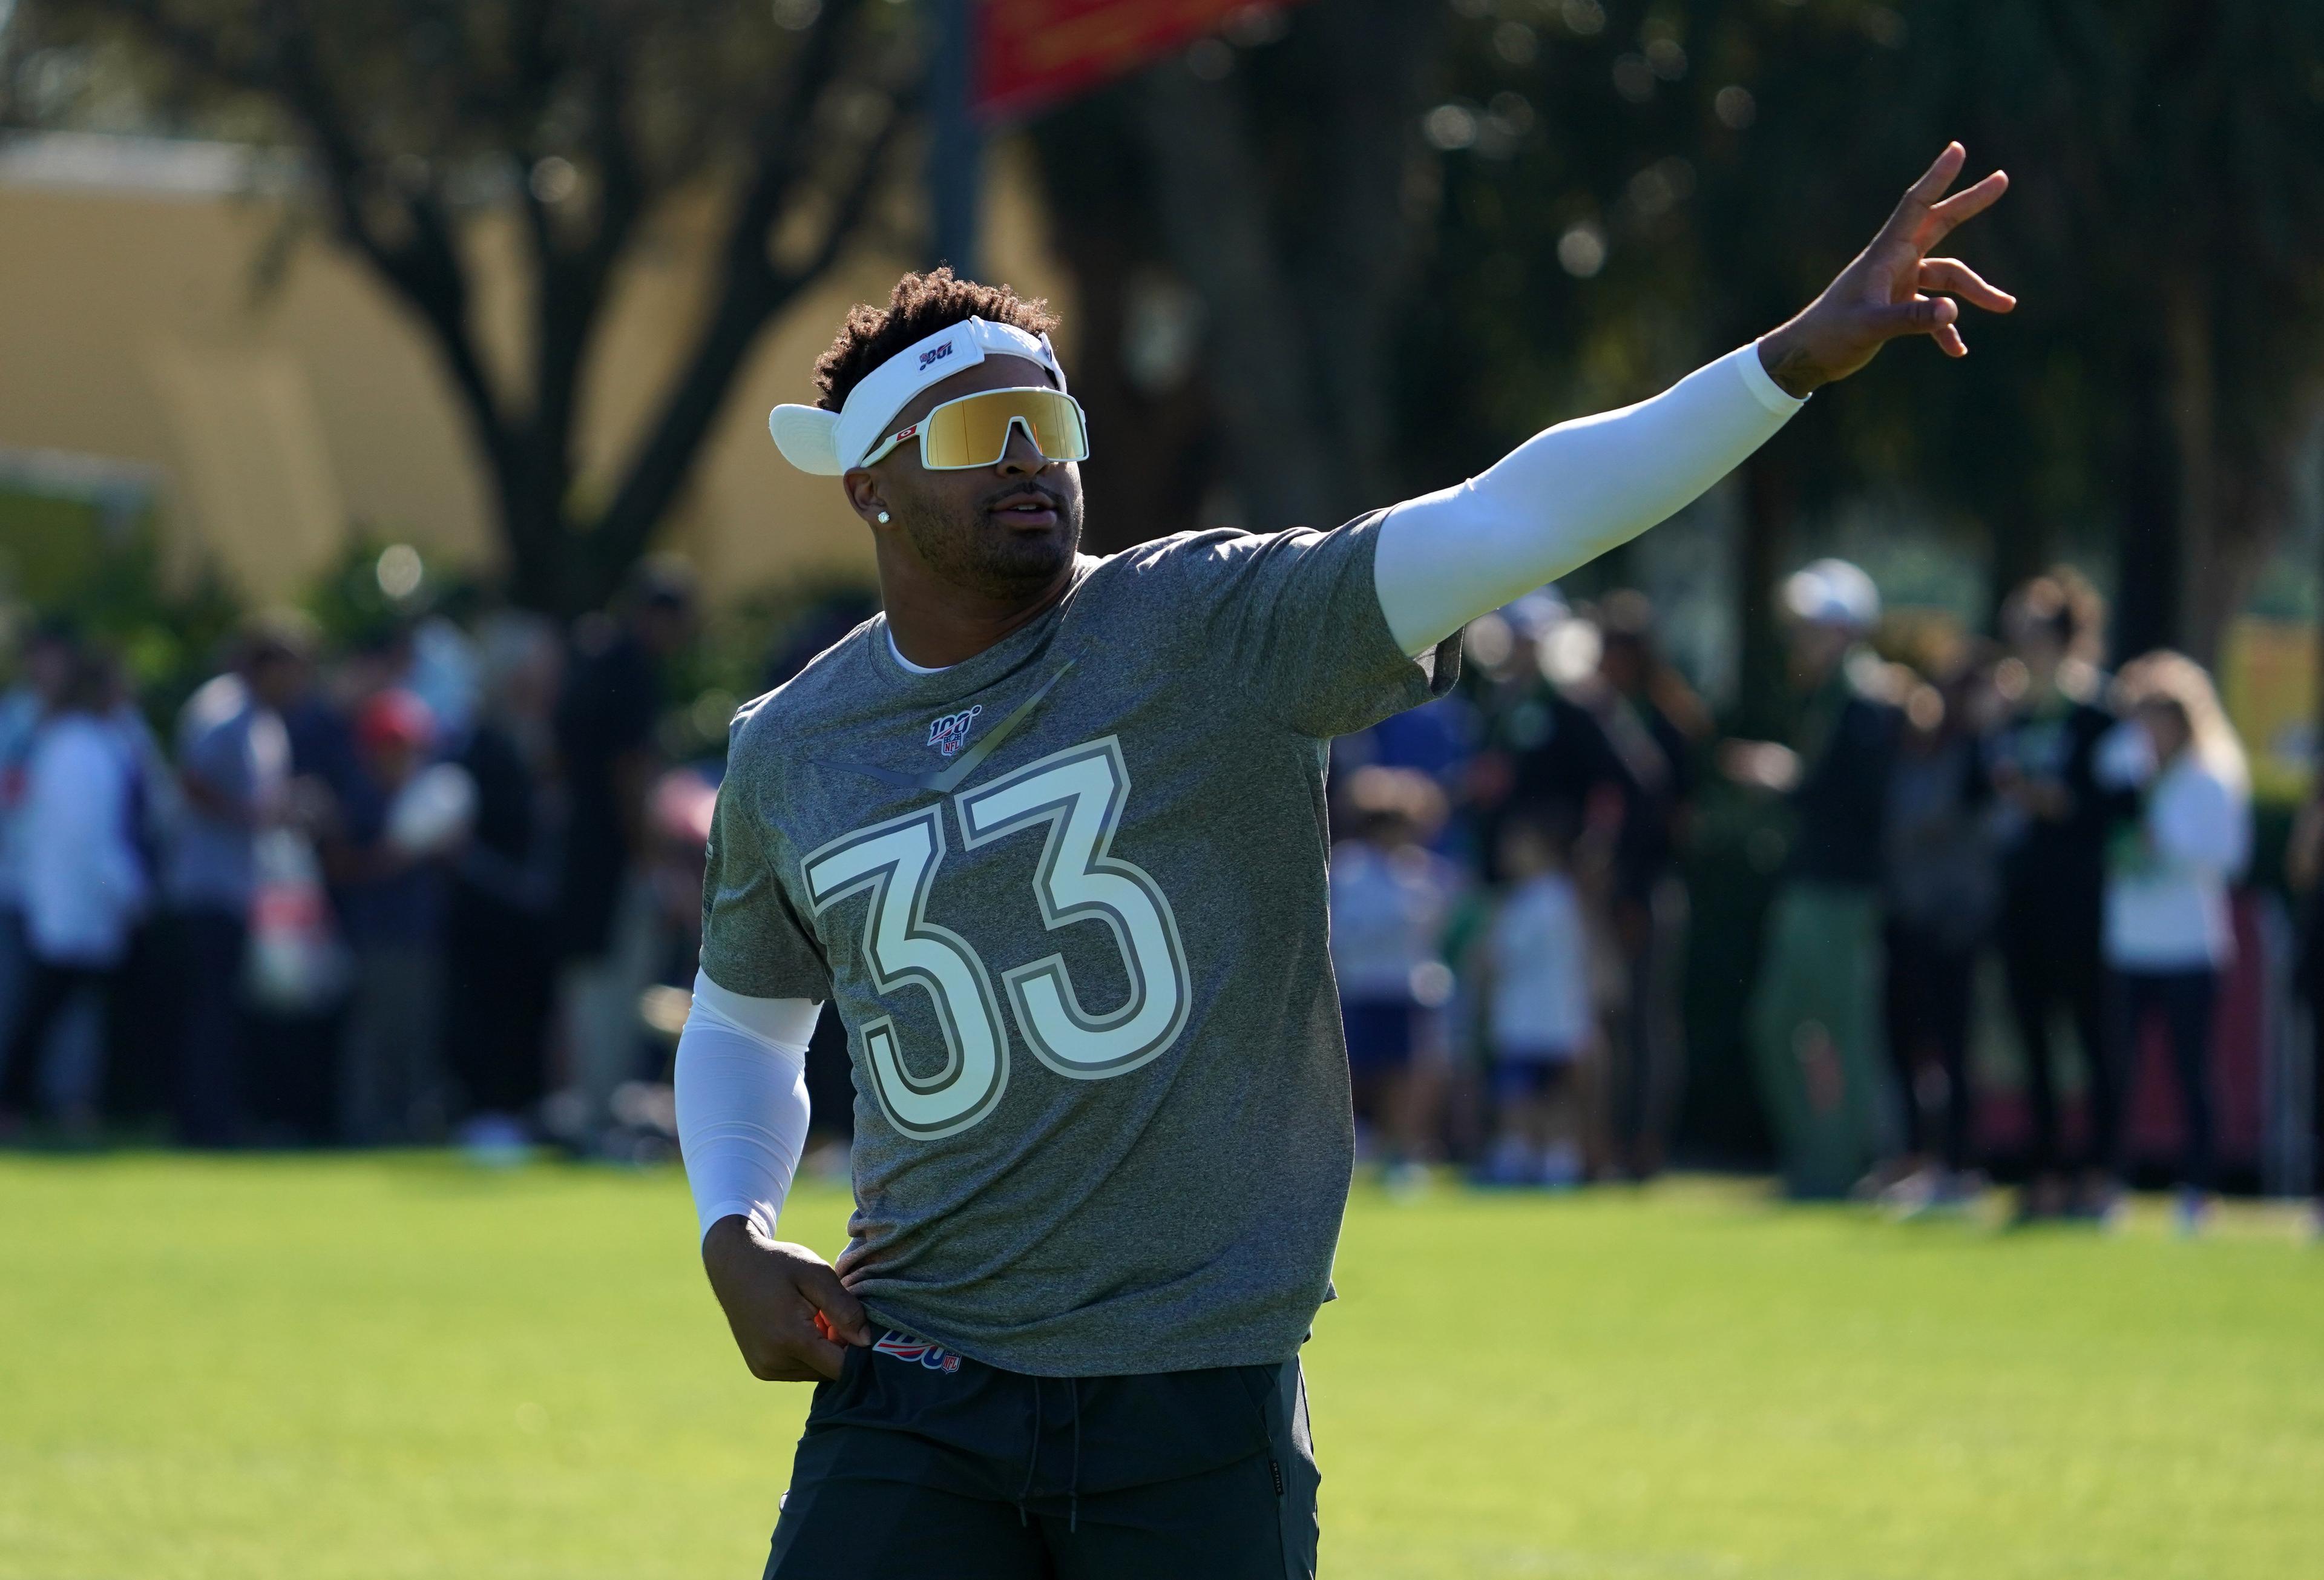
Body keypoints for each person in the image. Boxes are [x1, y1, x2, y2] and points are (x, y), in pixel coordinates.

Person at [674, 143, 2010, 1576]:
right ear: (869, 482)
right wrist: (731, 1226)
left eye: (1043, 419)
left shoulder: (1208, 623)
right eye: (970, 430)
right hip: (917, 1383)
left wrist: (1783, 363)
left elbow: (1510, 516)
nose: (1024, 455)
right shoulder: (792, 743)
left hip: (1191, 1397)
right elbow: (749, 1017)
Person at [1728, 559, 1903, 1199]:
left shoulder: (1865, 701)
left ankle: (1843, 1167)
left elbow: (1856, 802)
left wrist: (1786, 781)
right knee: (1781, 1025)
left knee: (1843, 1031)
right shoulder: (1831, 698)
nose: (1800, 641)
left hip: (1842, 891)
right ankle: (1816, 1159)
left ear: (1844, 630)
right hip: (1814, 887)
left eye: (1812, 627)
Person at [2097, 652, 2250, 1236]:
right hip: (2130, 943)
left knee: (2193, 1071)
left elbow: (2226, 856)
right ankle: (2109, 1182)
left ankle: (2199, 1189)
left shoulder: (2211, 776)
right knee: (2119, 1069)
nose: (2149, 731)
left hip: (2191, 944)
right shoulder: (2126, 766)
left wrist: (2161, 839)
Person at [1984, 570, 2121, 1219]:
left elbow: (2114, 806)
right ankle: (2043, 1174)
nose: (2024, 645)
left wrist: (2056, 801)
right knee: (2032, 1035)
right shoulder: (2012, 711)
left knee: (2091, 1036)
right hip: (2022, 893)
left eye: (2035, 633)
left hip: (2080, 896)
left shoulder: (2098, 712)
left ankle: (2098, 1175)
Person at [554, 558, 695, 1150]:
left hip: (577, 850)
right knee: (612, 993)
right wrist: (649, 858)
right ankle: (601, 1119)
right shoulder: (631, 667)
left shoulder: (588, 661)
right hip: (613, 860)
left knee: (590, 991)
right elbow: (630, 770)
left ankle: (592, 1112)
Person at [1571, 591, 1704, 1179]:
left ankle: (1645, 1147)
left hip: (1647, 892)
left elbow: (1669, 818)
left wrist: (1633, 895)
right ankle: (1607, 1144)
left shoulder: (1666, 722)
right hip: (1608, 893)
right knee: (1610, 1023)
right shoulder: (1601, 716)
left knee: (1647, 1023)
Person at [162, 617, 308, 1147]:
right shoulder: (223, 711)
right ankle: (205, 1123)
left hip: (239, 886)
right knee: (212, 1012)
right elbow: (192, 781)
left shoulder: (261, 719)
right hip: (207, 885)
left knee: (225, 1010)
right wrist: (247, 815)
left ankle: (218, 1116)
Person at [0, 647, 150, 1136]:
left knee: (53, 1014)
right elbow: (89, 835)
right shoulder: (76, 747)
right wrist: (130, 891)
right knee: (44, 1015)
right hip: (71, 905)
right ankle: (26, 1107)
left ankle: (44, 1106)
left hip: (75, 903)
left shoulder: (90, 742)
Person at [1881, 660, 2001, 1213]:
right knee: (1906, 1046)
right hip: (1908, 919)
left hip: (1954, 922)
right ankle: (1917, 1160)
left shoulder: (1973, 756)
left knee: (1954, 1048)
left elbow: (1935, 822)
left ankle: (1958, 1163)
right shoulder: (1902, 759)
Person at [444, 613, 565, 1151]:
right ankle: (487, 1113)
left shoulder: (548, 739)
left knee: (532, 1016)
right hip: (488, 910)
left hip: (536, 915)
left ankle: (523, 1109)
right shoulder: (483, 744)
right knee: (487, 1014)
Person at [329, 688, 472, 1145]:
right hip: (373, 937)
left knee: (417, 1033)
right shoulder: (360, 798)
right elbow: (344, 865)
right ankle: (368, 1124)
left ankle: (414, 1122)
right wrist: (394, 857)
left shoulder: (425, 795)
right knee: (374, 1037)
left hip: (420, 935)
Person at [1327, 766, 1462, 1187]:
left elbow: (1444, 928)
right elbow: (1340, 932)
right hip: (1359, 988)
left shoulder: (1428, 874)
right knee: (1348, 1077)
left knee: (1407, 1077)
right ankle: (1340, 1153)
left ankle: (1400, 1154)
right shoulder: (1348, 870)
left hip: (1408, 989)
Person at [1478, 816, 1595, 1187]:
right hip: (1544, 1017)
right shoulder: (1553, 897)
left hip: (1535, 1017)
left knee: (1538, 1096)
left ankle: (1546, 1161)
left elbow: (1498, 956)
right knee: (1526, 1095)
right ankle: (1534, 1160)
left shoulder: (1539, 900)